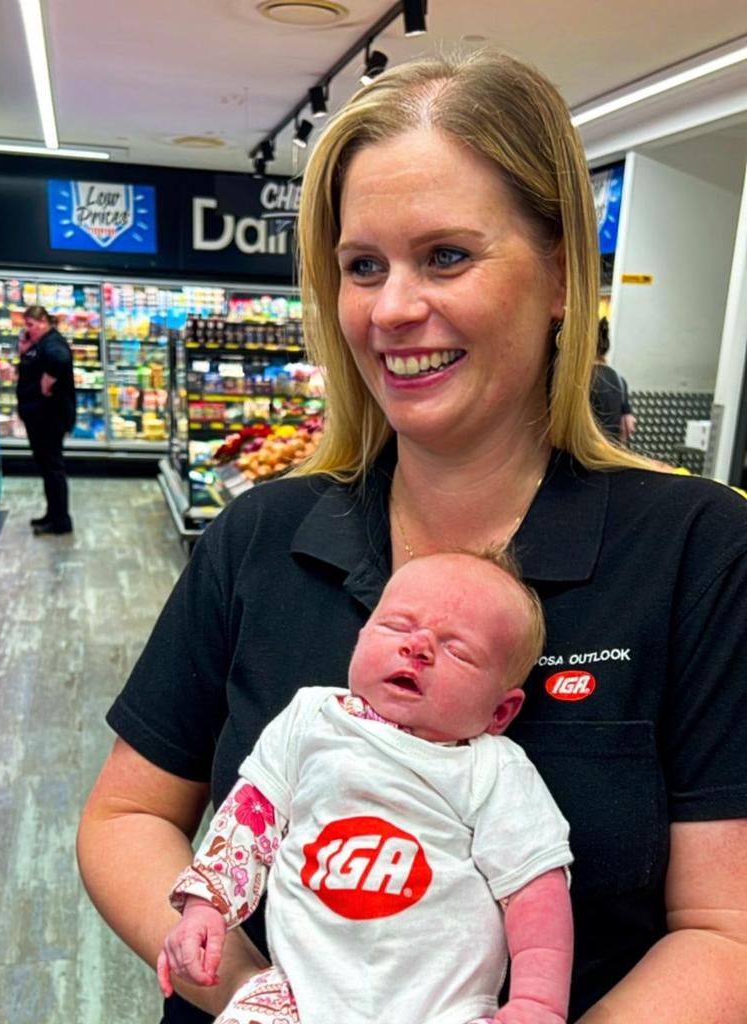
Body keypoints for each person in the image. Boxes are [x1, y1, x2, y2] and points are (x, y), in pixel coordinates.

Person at [77, 47, 747, 1024]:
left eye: (446, 255)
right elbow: (127, 816)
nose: (392, 309)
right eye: (362, 266)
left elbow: (724, 924)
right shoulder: (263, 533)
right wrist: (256, 994)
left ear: (563, 276)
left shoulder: (700, 551)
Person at [156, 550, 573, 1024]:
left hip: (441, 1009)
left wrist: (537, 1003)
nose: (418, 648)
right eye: (396, 627)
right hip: (297, 993)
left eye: (457, 649)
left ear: (501, 712)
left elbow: (535, 890)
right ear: (359, 640)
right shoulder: (312, 719)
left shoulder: (492, 769)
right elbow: (249, 821)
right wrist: (205, 909)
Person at [16, 305, 75, 534]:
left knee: (52, 469)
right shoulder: (41, 343)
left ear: (43, 322)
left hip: (49, 418)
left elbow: (59, 360)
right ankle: (54, 514)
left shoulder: (52, 342)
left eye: (30, 325)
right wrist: (24, 350)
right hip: (40, 416)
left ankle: (60, 521)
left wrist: (47, 381)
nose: (27, 330)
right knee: (48, 468)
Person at [589, 317, 636, 445]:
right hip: (609, 455)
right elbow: (628, 426)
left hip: (582, 456)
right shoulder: (620, 380)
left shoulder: (579, 379)